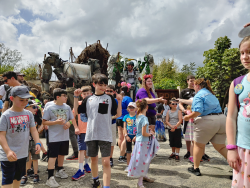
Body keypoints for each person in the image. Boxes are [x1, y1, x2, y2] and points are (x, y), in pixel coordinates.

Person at [76, 73, 122, 188]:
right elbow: (77, 111)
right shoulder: (88, 99)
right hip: (91, 134)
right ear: (94, 84)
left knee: (106, 162)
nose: (103, 87)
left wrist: (120, 101)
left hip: (105, 134)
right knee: (94, 160)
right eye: (100, 84)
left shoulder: (110, 98)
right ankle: (96, 181)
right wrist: (76, 97)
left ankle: (106, 186)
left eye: (105, 85)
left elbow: (118, 114)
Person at [184, 78, 227, 176]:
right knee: (220, 147)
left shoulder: (198, 95)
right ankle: (238, 168)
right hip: (221, 119)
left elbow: (198, 111)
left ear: (198, 86)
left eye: (194, 85)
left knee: (198, 145)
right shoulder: (211, 94)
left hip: (208, 120)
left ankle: (196, 168)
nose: (193, 87)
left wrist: (187, 117)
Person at [0, 86, 41, 188]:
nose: (24, 103)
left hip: (23, 154)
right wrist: (8, 151)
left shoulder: (29, 114)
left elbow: (33, 129)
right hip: (8, 155)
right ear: (12, 99)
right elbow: (1, 135)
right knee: (8, 180)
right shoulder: (5, 115)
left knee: (18, 178)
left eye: (26, 100)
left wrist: (38, 142)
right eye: (21, 100)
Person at [226, 36, 250, 187]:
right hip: (243, 148)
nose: (245, 56)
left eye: (249, 52)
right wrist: (231, 148)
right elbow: (231, 117)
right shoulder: (237, 83)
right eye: (242, 53)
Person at [42, 88, 75, 187]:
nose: (66, 97)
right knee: (52, 156)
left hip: (64, 136)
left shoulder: (67, 107)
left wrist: (69, 124)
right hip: (54, 137)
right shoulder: (49, 107)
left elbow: (71, 119)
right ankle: (50, 178)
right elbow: (44, 122)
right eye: (64, 96)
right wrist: (55, 122)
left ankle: (60, 169)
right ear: (58, 97)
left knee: (62, 154)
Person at [127, 99, 159, 188]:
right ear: (147, 107)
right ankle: (140, 183)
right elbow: (144, 133)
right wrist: (150, 133)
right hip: (144, 142)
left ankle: (144, 176)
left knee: (142, 160)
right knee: (144, 161)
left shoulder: (138, 116)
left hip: (139, 141)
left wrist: (147, 130)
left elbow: (140, 130)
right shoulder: (144, 118)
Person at [72, 86, 92, 180]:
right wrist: (76, 127)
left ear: (91, 94)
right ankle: (80, 169)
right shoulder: (79, 103)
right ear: (81, 95)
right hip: (82, 131)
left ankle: (86, 164)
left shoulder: (93, 104)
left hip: (91, 131)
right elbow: (74, 114)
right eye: (84, 94)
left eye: (88, 93)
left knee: (88, 150)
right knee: (81, 150)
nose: (86, 95)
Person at [21, 100, 41, 185]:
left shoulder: (36, 117)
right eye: (33, 107)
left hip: (34, 141)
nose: (35, 109)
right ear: (26, 107)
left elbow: (40, 126)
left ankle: (36, 174)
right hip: (24, 141)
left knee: (35, 158)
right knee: (25, 159)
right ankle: (24, 175)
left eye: (36, 107)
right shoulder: (22, 117)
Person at [178, 75, 195, 160]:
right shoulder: (184, 91)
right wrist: (184, 110)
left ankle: (201, 152)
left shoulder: (198, 90)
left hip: (197, 115)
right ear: (187, 81)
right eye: (191, 81)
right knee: (188, 135)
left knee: (198, 134)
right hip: (187, 115)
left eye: (194, 81)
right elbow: (180, 103)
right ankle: (189, 151)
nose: (193, 83)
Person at [116, 83, 133, 162]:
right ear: (128, 90)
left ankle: (122, 153)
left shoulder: (118, 98)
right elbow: (130, 107)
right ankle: (122, 155)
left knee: (120, 137)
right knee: (126, 137)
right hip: (125, 119)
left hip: (118, 118)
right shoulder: (127, 98)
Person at [105, 85, 119, 167]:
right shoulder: (102, 99)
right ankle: (105, 157)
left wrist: (110, 118)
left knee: (112, 141)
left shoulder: (116, 101)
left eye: (110, 91)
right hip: (102, 124)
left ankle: (110, 158)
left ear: (113, 92)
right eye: (107, 91)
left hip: (112, 123)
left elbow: (117, 114)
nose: (108, 92)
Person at [120, 102, 137, 172]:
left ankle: (136, 165)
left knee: (137, 151)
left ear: (136, 108)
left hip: (136, 136)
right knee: (128, 151)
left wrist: (137, 136)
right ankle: (128, 165)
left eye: (133, 107)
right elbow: (124, 127)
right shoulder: (126, 117)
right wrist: (126, 136)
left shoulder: (138, 116)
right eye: (130, 107)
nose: (131, 109)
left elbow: (140, 127)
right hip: (128, 136)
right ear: (128, 109)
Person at [65, 77, 79, 160]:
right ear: (73, 84)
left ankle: (76, 152)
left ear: (66, 84)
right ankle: (82, 151)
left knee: (72, 134)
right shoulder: (78, 92)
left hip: (70, 115)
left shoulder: (65, 93)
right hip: (79, 115)